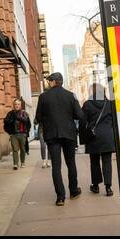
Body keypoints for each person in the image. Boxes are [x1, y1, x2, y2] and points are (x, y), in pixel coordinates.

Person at [35, 72, 84, 206]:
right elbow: (79, 115)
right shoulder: (70, 95)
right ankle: (73, 191)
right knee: (71, 163)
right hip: (69, 134)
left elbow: (38, 117)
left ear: (53, 82)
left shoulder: (43, 97)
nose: (48, 83)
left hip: (52, 135)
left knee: (56, 166)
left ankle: (60, 197)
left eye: (49, 81)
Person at [80, 83, 115, 197]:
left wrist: (83, 139)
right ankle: (108, 187)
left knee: (94, 161)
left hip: (93, 136)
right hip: (107, 136)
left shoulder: (87, 104)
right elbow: (115, 121)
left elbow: (82, 122)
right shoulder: (109, 104)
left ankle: (95, 186)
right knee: (107, 161)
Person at [4, 99, 31, 170]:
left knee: (23, 149)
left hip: (22, 134)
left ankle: (22, 162)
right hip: (14, 134)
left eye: (18, 104)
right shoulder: (10, 113)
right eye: (16, 104)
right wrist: (9, 132)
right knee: (15, 149)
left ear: (20, 105)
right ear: (14, 105)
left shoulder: (24, 113)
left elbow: (27, 123)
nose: (17, 106)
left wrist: (26, 133)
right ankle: (15, 164)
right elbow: (6, 123)